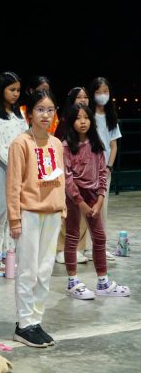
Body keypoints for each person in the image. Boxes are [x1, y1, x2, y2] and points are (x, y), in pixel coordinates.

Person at [6, 89, 65, 348]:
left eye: (50, 110)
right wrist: (14, 218)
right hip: (29, 213)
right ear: (29, 113)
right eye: (40, 109)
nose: (45, 115)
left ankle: (36, 320)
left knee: (45, 270)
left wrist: (62, 208)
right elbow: (13, 184)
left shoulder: (56, 144)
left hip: (53, 213)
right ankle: (24, 324)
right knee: (28, 270)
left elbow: (61, 179)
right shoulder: (21, 143)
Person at [62, 103, 130, 300]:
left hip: (94, 196)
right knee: (72, 236)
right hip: (74, 197)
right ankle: (72, 282)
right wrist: (81, 203)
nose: (82, 122)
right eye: (78, 118)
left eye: (86, 117)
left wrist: (100, 199)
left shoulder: (96, 143)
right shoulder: (65, 146)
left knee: (99, 238)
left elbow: (102, 172)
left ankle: (103, 282)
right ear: (71, 122)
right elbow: (67, 179)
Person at [0, 71, 28, 273]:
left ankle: (9, 254)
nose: (15, 94)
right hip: (2, 168)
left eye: (18, 90)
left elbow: (26, 140)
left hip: (20, 170)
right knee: (0, 212)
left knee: (14, 212)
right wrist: (15, 163)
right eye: (12, 89)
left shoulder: (19, 115)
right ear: (1, 90)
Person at [54, 87, 92, 264]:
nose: (83, 100)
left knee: (83, 212)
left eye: (86, 97)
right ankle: (61, 249)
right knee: (67, 212)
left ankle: (78, 248)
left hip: (85, 175)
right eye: (79, 97)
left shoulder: (89, 122)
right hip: (68, 174)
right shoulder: (64, 122)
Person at [87, 77, 120, 262]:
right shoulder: (88, 115)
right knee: (86, 208)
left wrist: (109, 167)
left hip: (104, 171)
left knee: (102, 209)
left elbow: (113, 145)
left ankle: (100, 247)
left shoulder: (111, 117)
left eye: (105, 92)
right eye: (98, 92)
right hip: (87, 169)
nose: (102, 95)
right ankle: (85, 247)